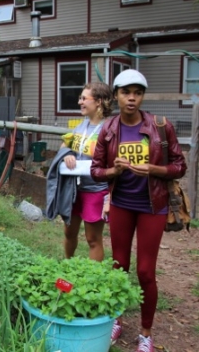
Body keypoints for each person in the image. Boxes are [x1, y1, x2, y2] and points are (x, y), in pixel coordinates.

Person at [91, 69, 186, 352]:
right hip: (121, 204)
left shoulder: (160, 126)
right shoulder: (108, 129)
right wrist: (113, 169)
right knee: (119, 267)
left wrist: (153, 169)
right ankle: (117, 319)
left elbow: (180, 165)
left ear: (142, 96)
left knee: (146, 272)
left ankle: (145, 332)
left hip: (152, 206)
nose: (132, 98)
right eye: (126, 92)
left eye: (138, 93)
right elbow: (96, 171)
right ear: (116, 95)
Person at [61, 82, 113, 261]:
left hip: (97, 190)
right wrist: (67, 155)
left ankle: (93, 280)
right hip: (75, 190)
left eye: (84, 98)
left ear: (98, 102)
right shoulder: (80, 126)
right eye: (80, 98)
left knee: (93, 238)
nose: (79, 102)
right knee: (69, 232)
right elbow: (64, 146)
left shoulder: (110, 129)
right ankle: (68, 265)